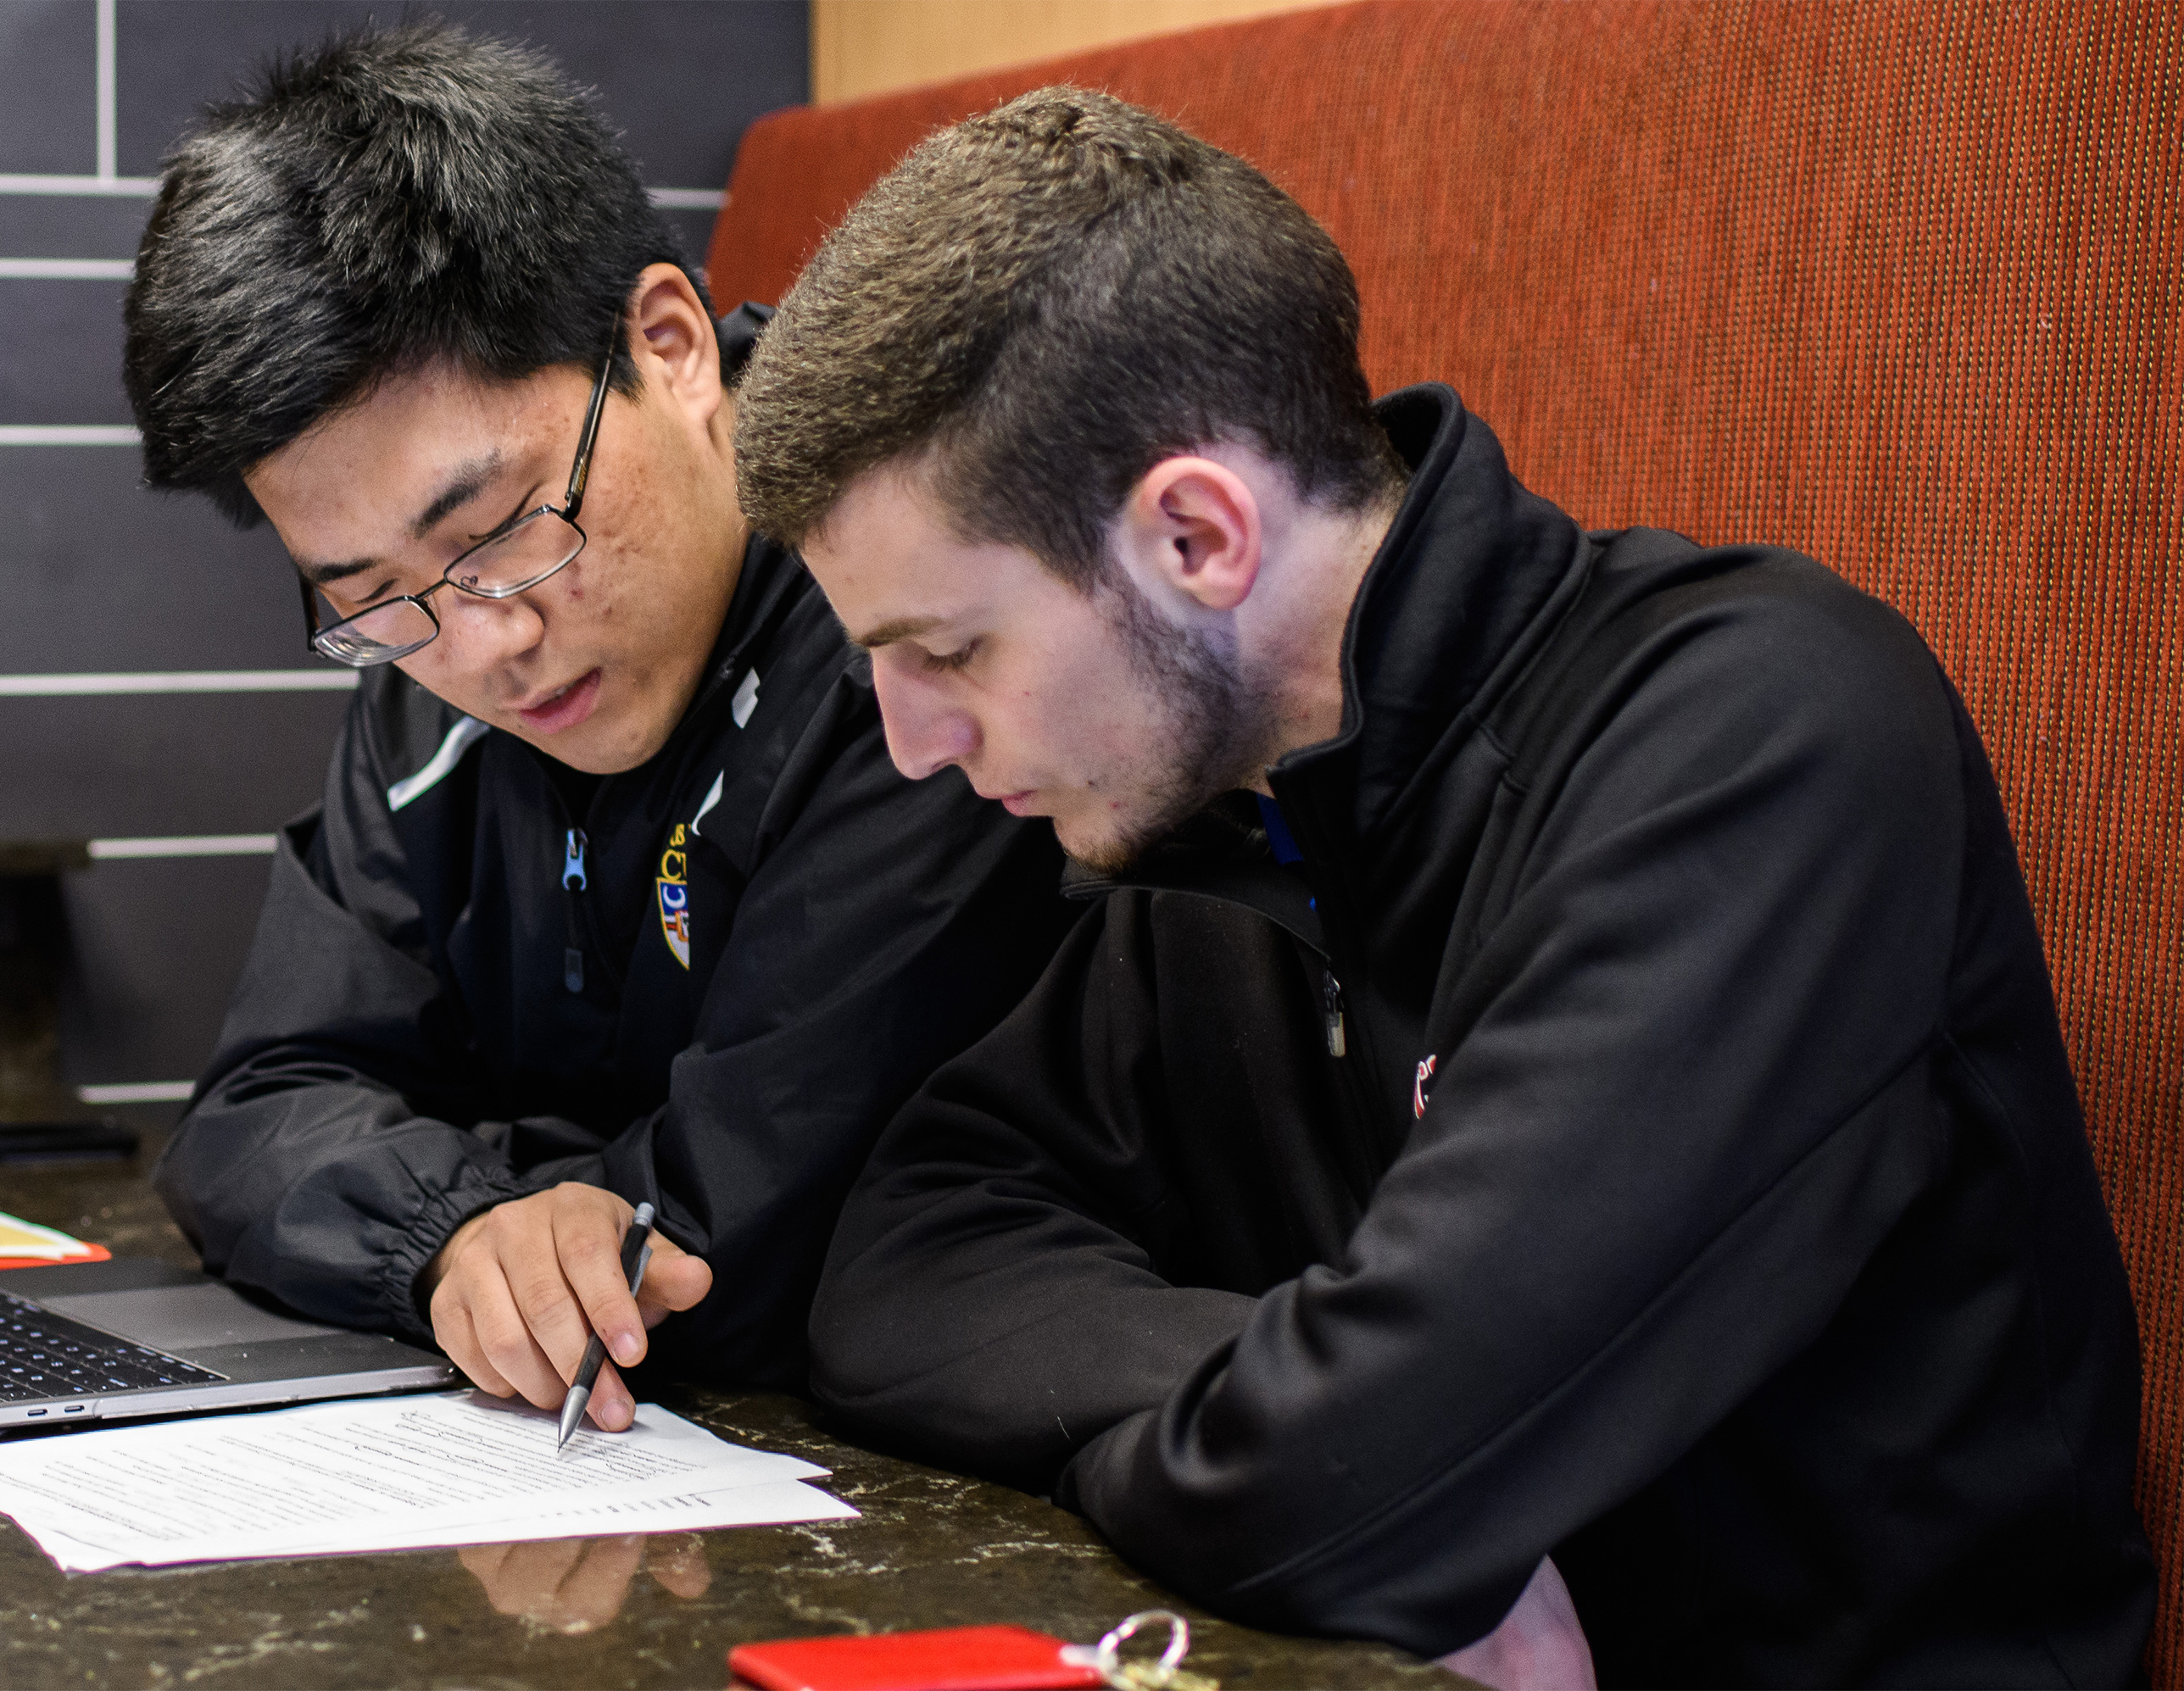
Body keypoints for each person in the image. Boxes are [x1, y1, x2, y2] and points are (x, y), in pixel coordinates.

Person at [734, 86, 2152, 1688]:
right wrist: (1265, 1402)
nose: (916, 745)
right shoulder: (1213, 822)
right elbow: (905, 1258)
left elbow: (1332, 1496)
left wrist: (1342, 1469)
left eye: (948, 650)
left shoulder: (1760, 743)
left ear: (1197, 534)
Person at [123, 24, 1075, 1428]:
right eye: (369, 593)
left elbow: (729, 1251)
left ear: (672, 347)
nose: (484, 645)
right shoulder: (431, 647)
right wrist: (457, 1234)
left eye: (506, 528)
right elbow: (258, 1106)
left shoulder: (912, 629)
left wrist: (505, 1195)